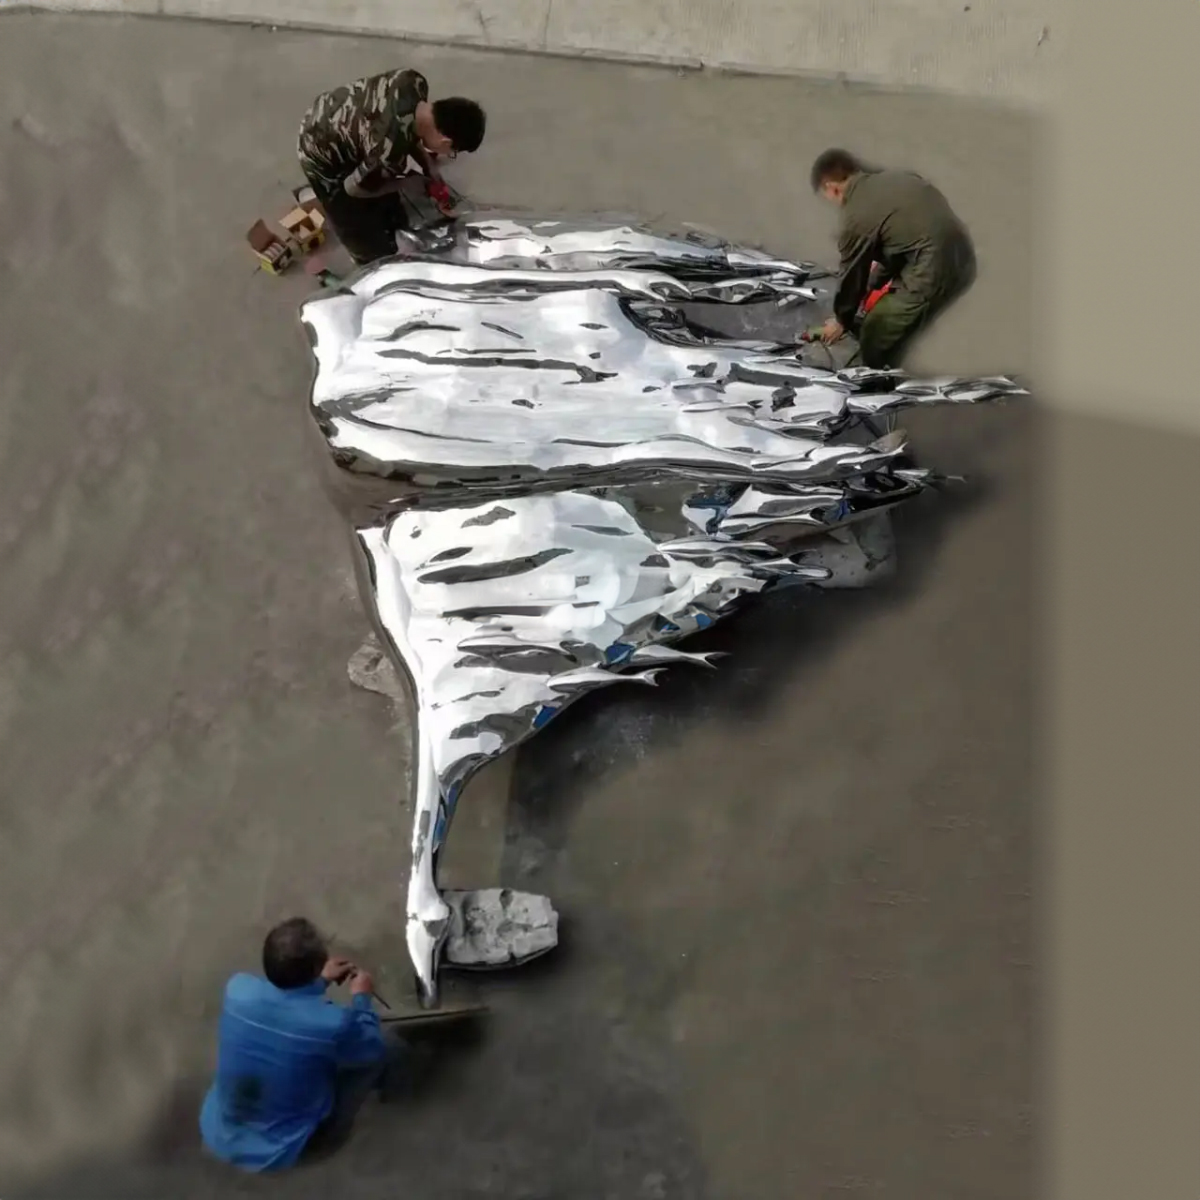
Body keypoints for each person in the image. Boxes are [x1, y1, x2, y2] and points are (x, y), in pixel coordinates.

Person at [199, 917, 400, 1172]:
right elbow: (371, 1049)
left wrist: (319, 982)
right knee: (384, 1049)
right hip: (280, 1152)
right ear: (317, 965)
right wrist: (361, 998)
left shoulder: (237, 988)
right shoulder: (333, 1024)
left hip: (217, 1129)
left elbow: (285, 1010)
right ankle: (390, 1100)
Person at [297, 69, 487, 266]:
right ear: (445, 141)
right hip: (319, 149)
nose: (449, 155)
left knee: (383, 180)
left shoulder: (414, 81)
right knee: (352, 214)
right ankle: (366, 258)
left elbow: (406, 129)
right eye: (452, 151)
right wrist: (406, 183)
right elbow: (353, 189)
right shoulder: (388, 152)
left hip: (334, 114)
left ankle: (392, 225)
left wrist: (428, 167)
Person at [809, 148, 977, 369]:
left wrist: (841, 321)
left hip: (938, 269)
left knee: (876, 330)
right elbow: (900, 242)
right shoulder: (899, 178)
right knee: (900, 308)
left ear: (832, 188)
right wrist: (874, 283)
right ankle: (905, 335)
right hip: (964, 253)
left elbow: (852, 276)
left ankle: (878, 382)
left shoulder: (855, 218)